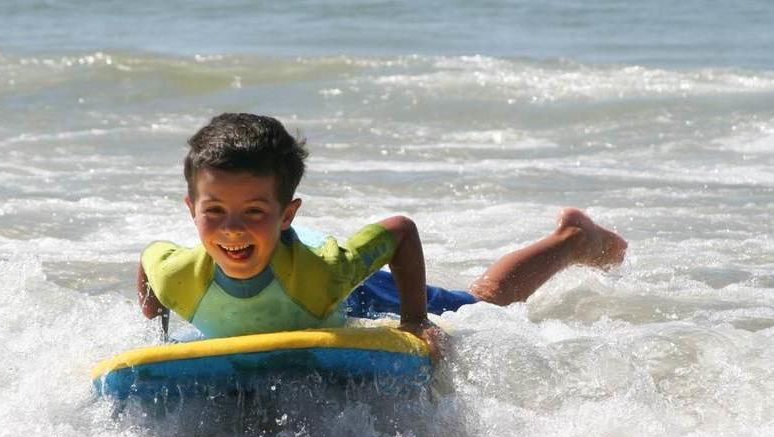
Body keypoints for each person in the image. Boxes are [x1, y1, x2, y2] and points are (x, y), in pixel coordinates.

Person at [137, 113, 627, 354]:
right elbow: (148, 261)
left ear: (286, 214)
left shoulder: (329, 273)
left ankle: (572, 239)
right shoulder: (179, 272)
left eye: (253, 211)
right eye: (215, 211)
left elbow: (399, 231)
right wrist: (154, 328)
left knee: (487, 306)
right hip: (288, 275)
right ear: (190, 210)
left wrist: (414, 321)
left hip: (343, 290)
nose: (232, 229)